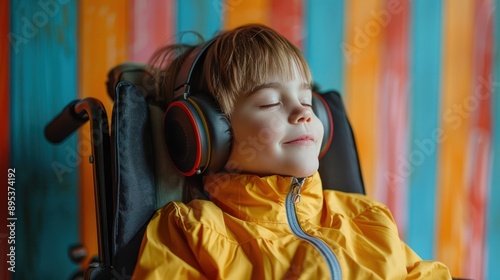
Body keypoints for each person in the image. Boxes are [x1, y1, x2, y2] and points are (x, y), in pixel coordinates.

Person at [133, 24, 451, 279]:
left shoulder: (366, 217)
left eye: (307, 100)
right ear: (208, 134)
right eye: (271, 102)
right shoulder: (190, 233)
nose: (303, 113)